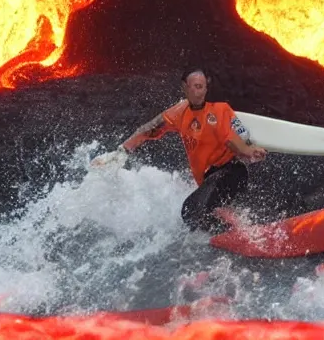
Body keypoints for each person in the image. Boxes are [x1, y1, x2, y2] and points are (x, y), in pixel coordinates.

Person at [114, 67, 267, 233]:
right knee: (197, 213)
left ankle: (234, 233)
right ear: (184, 87)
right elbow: (150, 128)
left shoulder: (219, 110)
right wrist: (122, 150)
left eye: (200, 87)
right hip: (209, 179)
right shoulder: (179, 112)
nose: (196, 92)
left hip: (232, 173)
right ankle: (233, 230)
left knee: (190, 210)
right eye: (193, 87)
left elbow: (232, 140)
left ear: (206, 89)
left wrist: (248, 151)